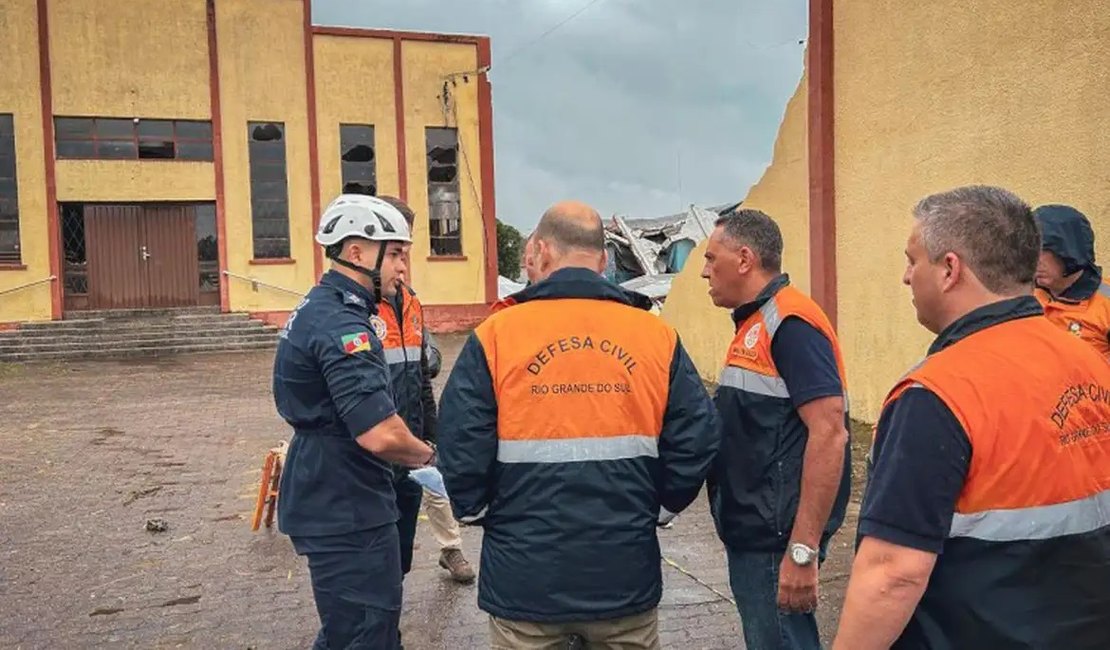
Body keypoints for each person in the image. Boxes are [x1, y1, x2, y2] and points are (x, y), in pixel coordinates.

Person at [833, 185, 1110, 649]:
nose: (906, 277)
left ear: (949, 269)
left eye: (912, 260)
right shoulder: (1087, 362)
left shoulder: (937, 394)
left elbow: (893, 574)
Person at [437, 200, 720, 649]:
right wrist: (662, 506)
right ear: (603, 261)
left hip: (525, 579)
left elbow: (460, 439)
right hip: (623, 574)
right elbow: (697, 435)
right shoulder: (655, 335)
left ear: (541, 251)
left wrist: (476, 511)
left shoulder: (496, 335)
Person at [272, 193, 437, 649]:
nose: (403, 267)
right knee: (365, 632)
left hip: (337, 490)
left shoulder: (325, 307)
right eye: (396, 254)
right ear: (358, 252)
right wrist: (431, 457)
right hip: (345, 501)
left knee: (354, 630)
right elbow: (380, 433)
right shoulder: (343, 325)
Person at [700, 209, 851, 650]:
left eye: (711, 258)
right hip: (758, 529)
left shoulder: (790, 324)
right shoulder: (758, 322)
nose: (705, 272)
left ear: (744, 259)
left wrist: (802, 549)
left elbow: (830, 432)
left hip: (777, 537)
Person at [376, 194, 476, 584]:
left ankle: (450, 548)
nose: (402, 261)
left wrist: (432, 433)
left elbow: (421, 373)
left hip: (413, 427)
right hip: (377, 438)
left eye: (405, 249)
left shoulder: (410, 302)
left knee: (433, 481)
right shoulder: (353, 308)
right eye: (394, 251)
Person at [1032, 203, 1110, 359]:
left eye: (1042, 250)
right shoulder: (1023, 294)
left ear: (1069, 251)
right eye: (1029, 250)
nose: (1034, 260)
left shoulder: (1104, 303)